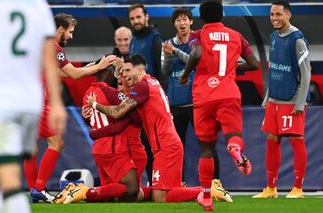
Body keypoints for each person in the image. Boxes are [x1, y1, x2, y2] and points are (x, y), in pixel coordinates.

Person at [0, 0, 67, 212]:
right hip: (31, 101)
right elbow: (49, 56)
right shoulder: (37, 5)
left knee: (8, 175)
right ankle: (32, 191)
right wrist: (56, 101)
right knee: (12, 170)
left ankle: (27, 197)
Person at [23, 13, 116, 203]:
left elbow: (59, 73)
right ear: (59, 30)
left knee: (30, 149)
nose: (71, 36)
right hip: (39, 101)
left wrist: (90, 67)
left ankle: (34, 191)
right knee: (56, 143)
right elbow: (73, 74)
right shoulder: (54, 46)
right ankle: (38, 188)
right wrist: (100, 66)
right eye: (70, 32)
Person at [86, 54, 202, 203]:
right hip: (167, 143)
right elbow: (126, 101)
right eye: (123, 71)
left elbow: (118, 112)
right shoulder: (151, 82)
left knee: (160, 197)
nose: (125, 74)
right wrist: (119, 72)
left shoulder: (142, 86)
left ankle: (208, 191)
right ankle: (204, 191)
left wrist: (95, 105)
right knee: (159, 192)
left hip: (165, 145)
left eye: (128, 70)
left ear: (140, 70)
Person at [179, 0, 259, 210]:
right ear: (222, 14)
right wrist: (232, 66)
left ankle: (206, 196)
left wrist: (186, 75)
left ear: (202, 17)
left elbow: (196, 54)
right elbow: (254, 64)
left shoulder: (197, 34)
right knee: (234, 136)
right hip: (228, 93)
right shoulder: (236, 36)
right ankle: (234, 148)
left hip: (204, 95)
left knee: (206, 149)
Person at [161, 7, 231, 202]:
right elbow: (165, 71)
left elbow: (197, 61)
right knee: (176, 148)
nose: (182, 23)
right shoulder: (167, 44)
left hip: (198, 103)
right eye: (178, 20)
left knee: (207, 145)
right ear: (174, 24)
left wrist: (174, 52)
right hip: (176, 105)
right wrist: (167, 54)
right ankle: (179, 183)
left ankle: (216, 183)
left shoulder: (197, 42)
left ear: (191, 22)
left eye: (185, 19)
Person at [55, 61, 140, 204]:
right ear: (109, 74)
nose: (117, 78)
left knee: (107, 195)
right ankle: (83, 191)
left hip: (98, 148)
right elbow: (136, 118)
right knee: (132, 188)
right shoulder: (110, 93)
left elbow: (92, 121)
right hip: (112, 146)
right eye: (115, 74)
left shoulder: (88, 93)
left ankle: (80, 193)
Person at [253, 0, 311, 199]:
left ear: (288, 15)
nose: (274, 18)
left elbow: (306, 74)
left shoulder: (297, 39)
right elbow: (274, 68)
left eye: (278, 14)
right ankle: (271, 188)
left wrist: (300, 102)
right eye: (272, 15)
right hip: (274, 100)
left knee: (296, 140)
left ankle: (298, 188)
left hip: (292, 100)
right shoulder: (273, 36)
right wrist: (268, 97)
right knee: (271, 140)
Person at [128, 3, 164, 186]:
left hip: (152, 103)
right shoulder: (133, 40)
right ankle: (151, 183)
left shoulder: (155, 39)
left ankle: (161, 183)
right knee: (145, 146)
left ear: (146, 17)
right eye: (132, 19)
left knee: (155, 146)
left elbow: (160, 72)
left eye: (138, 17)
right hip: (138, 102)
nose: (136, 21)